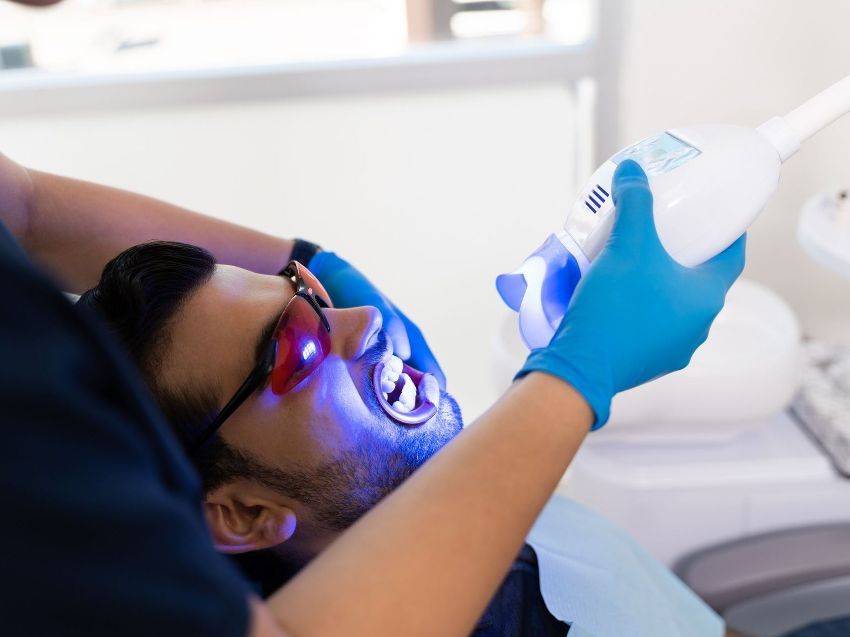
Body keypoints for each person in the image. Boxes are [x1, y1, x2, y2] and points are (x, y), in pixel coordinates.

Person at [0, 145, 744, 635]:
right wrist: (579, 374)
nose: (364, 322)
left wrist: (314, 264)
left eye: (314, 296)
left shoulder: (465, 480)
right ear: (245, 513)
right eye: (296, 347)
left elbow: (22, 207)